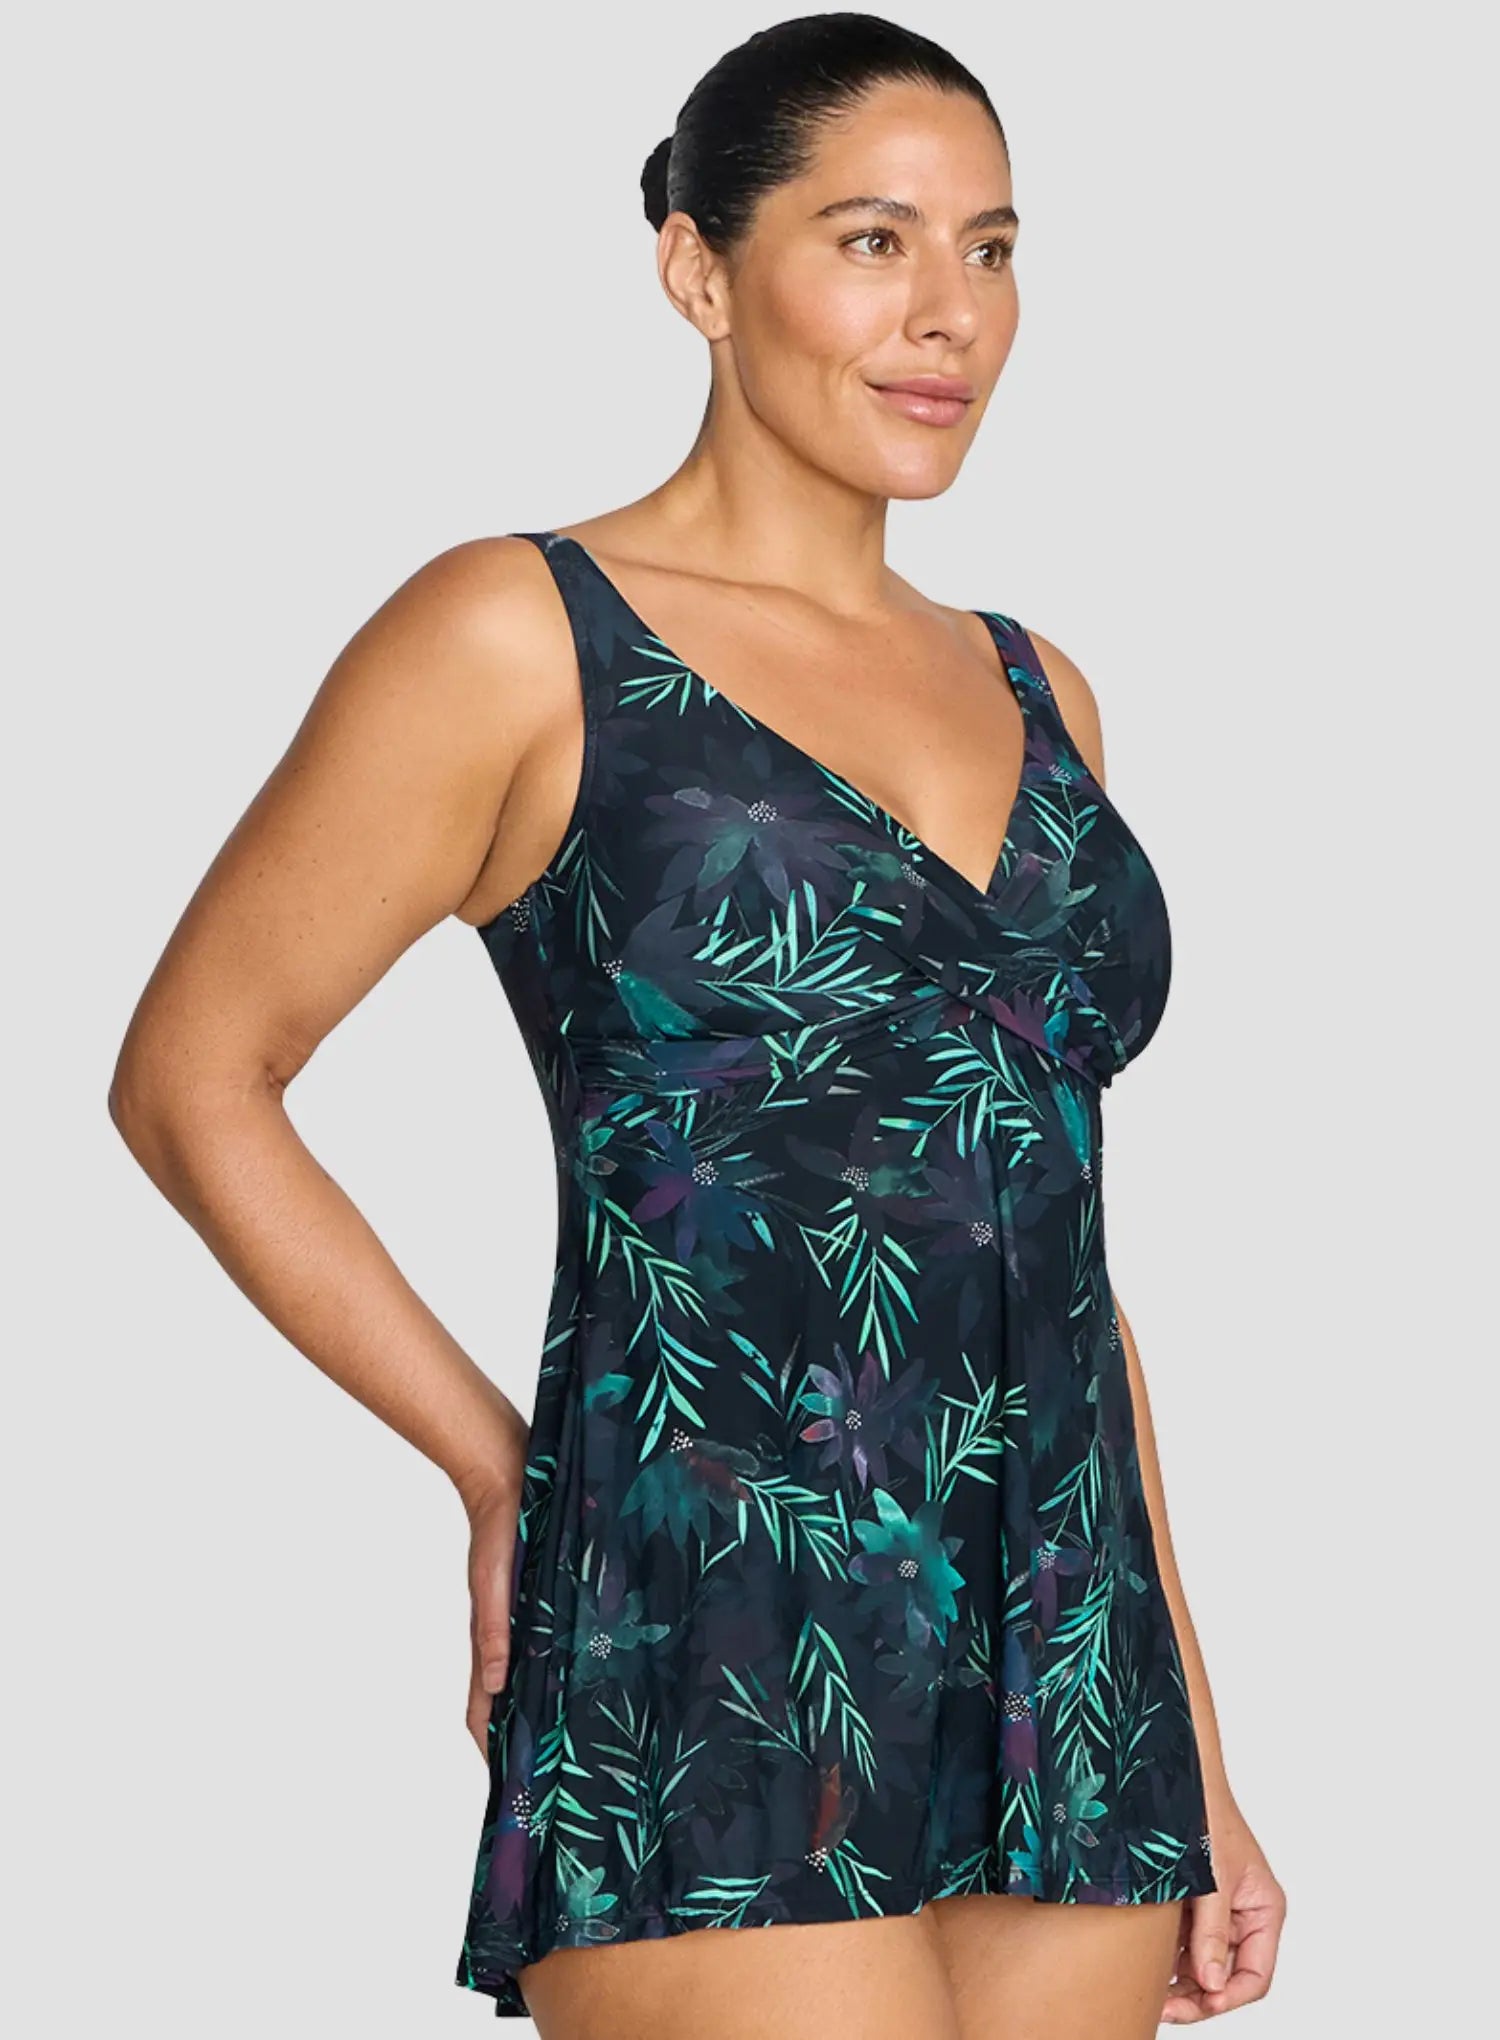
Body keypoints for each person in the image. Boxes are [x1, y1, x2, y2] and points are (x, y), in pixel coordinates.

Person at [109, 11, 1285, 2036]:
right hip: (714, 1616)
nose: (949, 314)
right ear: (698, 269)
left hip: (1065, 1663)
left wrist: (1203, 1746)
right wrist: (501, 1473)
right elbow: (195, 1077)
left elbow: (1051, 1236)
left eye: (992, 250)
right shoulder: (520, 632)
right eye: (872, 240)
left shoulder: (1038, 688)